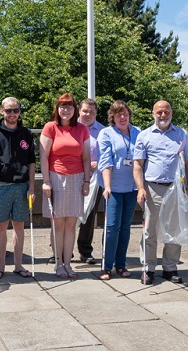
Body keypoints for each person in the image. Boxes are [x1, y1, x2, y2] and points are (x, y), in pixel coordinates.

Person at [133, 100, 188, 285]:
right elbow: (137, 165)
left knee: (174, 229)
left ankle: (170, 268)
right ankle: (148, 268)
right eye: (159, 112)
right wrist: (141, 188)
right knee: (150, 230)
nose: (163, 115)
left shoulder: (182, 134)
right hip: (153, 188)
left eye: (166, 112)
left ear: (171, 113)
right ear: (153, 113)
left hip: (177, 188)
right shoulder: (145, 136)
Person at [0, 97, 36, 278]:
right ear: (1, 111)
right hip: (0, 186)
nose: (12, 114)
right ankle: (0, 266)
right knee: (1, 227)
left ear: (19, 112)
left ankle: (19, 265)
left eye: (15, 110)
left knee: (19, 226)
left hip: (21, 186)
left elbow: (31, 162)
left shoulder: (26, 134)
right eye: (8, 110)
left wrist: (31, 187)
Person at [40, 93, 91, 278]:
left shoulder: (82, 129)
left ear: (74, 109)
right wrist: (46, 181)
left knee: (71, 225)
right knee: (58, 224)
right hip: (56, 178)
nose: (66, 110)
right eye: (62, 106)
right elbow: (44, 157)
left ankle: (68, 263)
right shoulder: (50, 127)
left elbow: (86, 158)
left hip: (76, 179)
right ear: (57, 109)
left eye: (69, 106)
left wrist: (86, 181)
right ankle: (58, 263)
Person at [97, 100, 140, 280]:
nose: (122, 117)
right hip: (113, 188)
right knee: (111, 227)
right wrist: (107, 187)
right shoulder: (106, 133)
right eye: (118, 114)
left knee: (125, 227)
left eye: (125, 114)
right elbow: (105, 161)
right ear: (112, 117)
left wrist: (141, 187)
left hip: (131, 187)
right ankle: (106, 266)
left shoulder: (138, 132)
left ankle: (121, 265)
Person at [76, 98, 105, 265]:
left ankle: (85, 251)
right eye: (85, 111)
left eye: (91, 112)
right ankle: (60, 250)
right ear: (79, 111)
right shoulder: (70, 127)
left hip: (94, 178)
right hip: (72, 175)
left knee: (89, 214)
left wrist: (98, 164)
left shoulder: (103, 132)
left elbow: (108, 155)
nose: (88, 114)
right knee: (65, 213)